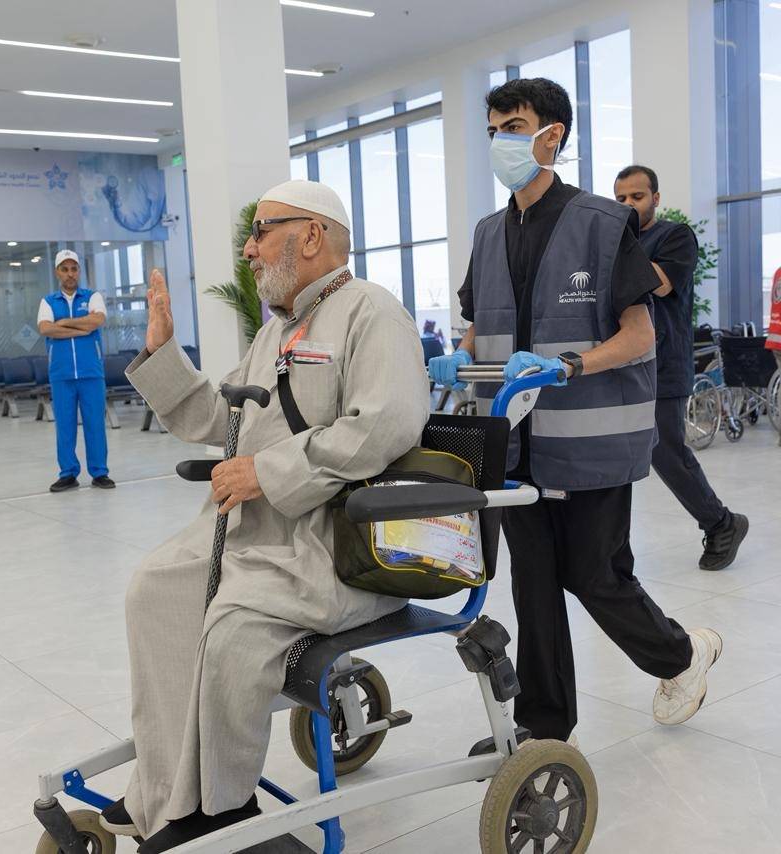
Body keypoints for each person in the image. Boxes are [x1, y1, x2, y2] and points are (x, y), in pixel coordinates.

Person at [111, 180, 429, 850]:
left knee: (233, 624)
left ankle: (222, 810)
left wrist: (268, 471)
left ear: (311, 236)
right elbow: (220, 416)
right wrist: (163, 353)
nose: (249, 250)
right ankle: (165, 791)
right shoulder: (279, 332)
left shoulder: (374, 312)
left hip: (339, 546)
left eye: (261, 232)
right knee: (156, 589)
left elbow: (387, 424)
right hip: (264, 535)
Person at [429, 79, 721, 746]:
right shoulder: (488, 232)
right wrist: (458, 356)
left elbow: (640, 336)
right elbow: (481, 327)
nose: (500, 141)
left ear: (551, 134)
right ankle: (543, 728)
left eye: (513, 126)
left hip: (589, 444)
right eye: (493, 130)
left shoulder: (602, 224)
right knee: (533, 588)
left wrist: (568, 365)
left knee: (595, 575)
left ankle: (682, 655)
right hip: (514, 445)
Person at [614, 164, 748, 571]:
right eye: (620, 199)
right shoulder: (617, 241)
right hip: (620, 361)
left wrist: (613, 245)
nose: (628, 205)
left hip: (664, 363)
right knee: (614, 454)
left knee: (666, 452)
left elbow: (658, 283)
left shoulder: (675, 236)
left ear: (655, 198)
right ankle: (610, 546)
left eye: (637, 197)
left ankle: (721, 522)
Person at [37, 249, 113, 492]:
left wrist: (63, 323)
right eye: (65, 269)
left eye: (74, 268)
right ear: (57, 272)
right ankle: (68, 474)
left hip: (91, 373)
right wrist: (82, 329)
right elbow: (46, 328)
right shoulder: (48, 302)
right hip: (61, 374)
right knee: (65, 426)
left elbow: (97, 320)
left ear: (79, 271)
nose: (70, 274)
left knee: (95, 424)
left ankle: (100, 473)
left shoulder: (92, 297)